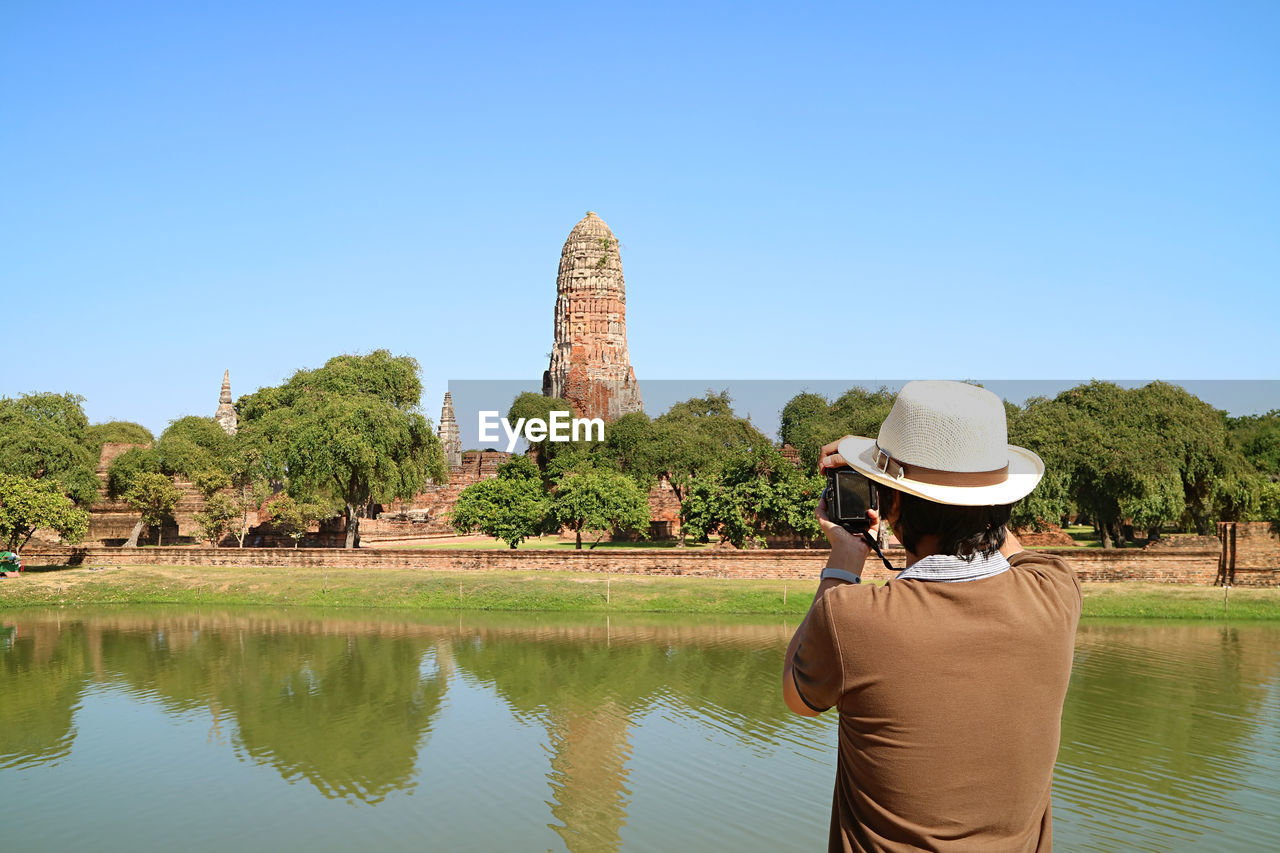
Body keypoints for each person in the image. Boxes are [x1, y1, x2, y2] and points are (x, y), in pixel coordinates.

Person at [782, 380, 1081, 852]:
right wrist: (935, 483)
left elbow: (798, 697)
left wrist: (844, 558)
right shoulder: (1056, 592)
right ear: (999, 501)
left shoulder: (852, 617)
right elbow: (1005, 542)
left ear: (893, 504)